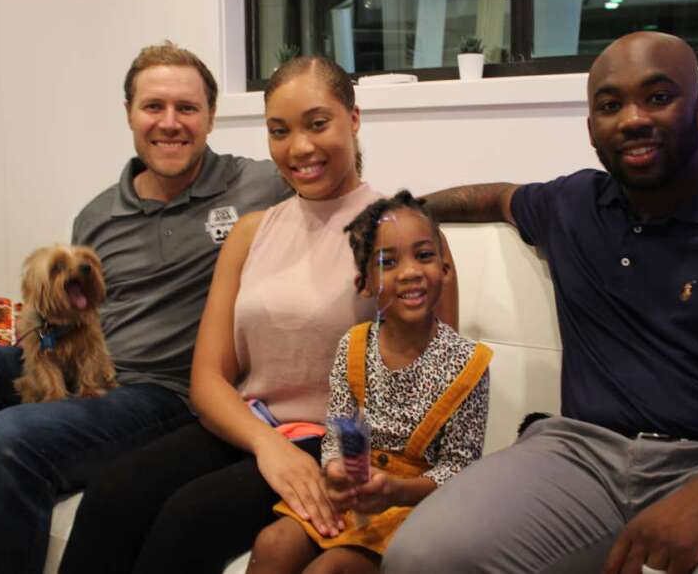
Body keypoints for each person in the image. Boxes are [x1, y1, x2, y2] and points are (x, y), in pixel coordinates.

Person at [382, 31, 698, 574]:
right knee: (421, 556)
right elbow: (492, 196)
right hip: (580, 456)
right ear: (591, 130)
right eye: (610, 105)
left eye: (657, 97)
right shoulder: (574, 204)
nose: (631, 119)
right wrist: (395, 218)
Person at [57, 57, 459, 574]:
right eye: (279, 131)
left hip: (343, 443)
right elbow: (207, 380)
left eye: (318, 124)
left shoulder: (402, 235)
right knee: (113, 494)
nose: (300, 148)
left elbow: (434, 385)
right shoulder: (250, 232)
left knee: (188, 519)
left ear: (353, 119)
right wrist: (269, 447)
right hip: (254, 428)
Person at [0, 41, 291, 574]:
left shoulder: (259, 183)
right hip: (77, 365)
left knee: (10, 438)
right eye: (153, 107)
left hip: (159, 393)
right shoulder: (97, 216)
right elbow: (71, 316)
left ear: (211, 116)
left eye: (187, 108)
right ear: (128, 114)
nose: (170, 123)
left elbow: (340, 183)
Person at [247, 190, 491, 574]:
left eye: (424, 256)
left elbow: (459, 470)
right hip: (353, 494)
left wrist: (396, 490)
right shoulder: (353, 345)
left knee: (329, 569)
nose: (410, 271)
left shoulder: (468, 363)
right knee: (272, 543)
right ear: (365, 284)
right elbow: (335, 433)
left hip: (415, 506)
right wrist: (335, 469)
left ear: (445, 270)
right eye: (388, 262)